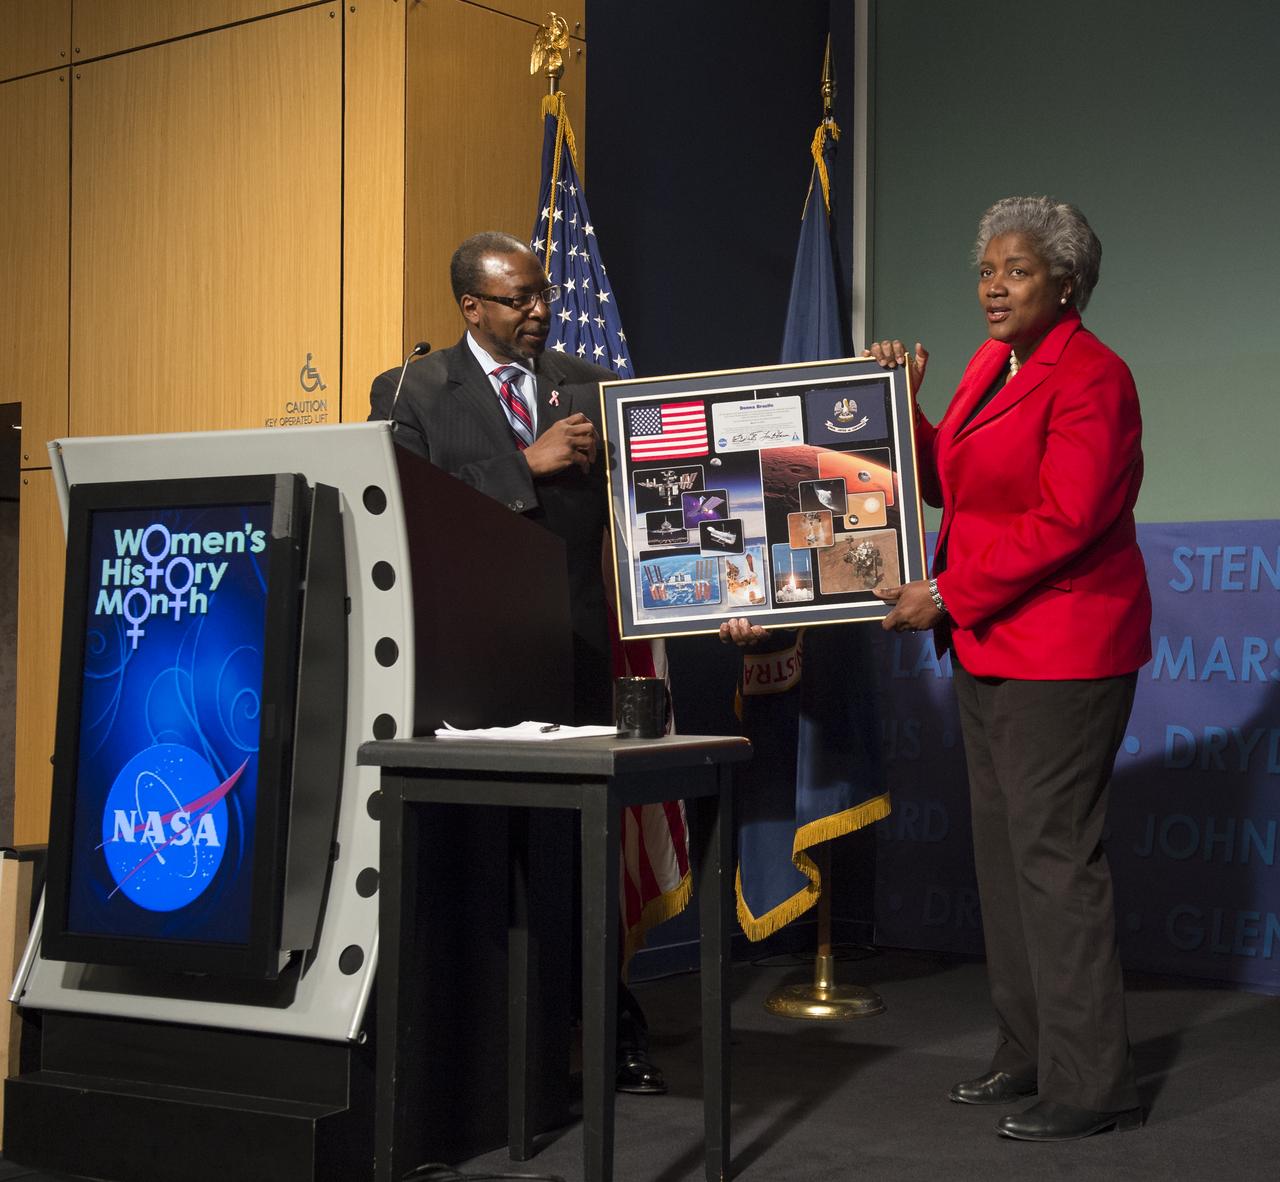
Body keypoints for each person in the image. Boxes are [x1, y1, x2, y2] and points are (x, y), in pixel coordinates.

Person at [866, 196, 1152, 1142]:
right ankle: (1025, 1053)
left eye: (1017, 270)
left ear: (1066, 284)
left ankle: (1089, 1083)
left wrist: (945, 594)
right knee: (1004, 859)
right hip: (996, 644)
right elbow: (952, 476)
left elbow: (1067, 524)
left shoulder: (1094, 378)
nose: (992, 285)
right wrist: (894, 410)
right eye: (986, 269)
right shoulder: (997, 363)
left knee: (1055, 863)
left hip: (1064, 651)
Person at [368, 230, 665, 1094]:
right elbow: (404, 511)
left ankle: (603, 1027)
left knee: (575, 852)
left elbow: (660, 509)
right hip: (465, 659)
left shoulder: (593, 386)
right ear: (472, 307)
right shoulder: (411, 390)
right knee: (479, 853)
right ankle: (486, 1042)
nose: (539, 311)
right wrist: (522, 467)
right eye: (518, 299)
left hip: (571, 649)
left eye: (542, 295)